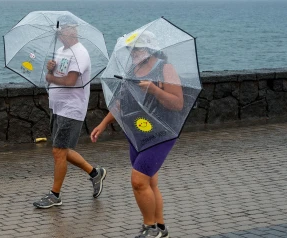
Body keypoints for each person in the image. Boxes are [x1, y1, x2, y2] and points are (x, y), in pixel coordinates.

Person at [90, 31, 183, 238]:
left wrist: (154, 90)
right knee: (150, 182)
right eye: (130, 49)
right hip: (137, 133)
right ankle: (160, 227)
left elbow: (177, 103)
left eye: (138, 49)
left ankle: (150, 228)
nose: (133, 53)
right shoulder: (132, 70)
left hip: (161, 133)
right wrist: (103, 124)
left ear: (150, 50)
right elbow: (121, 103)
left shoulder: (165, 68)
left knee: (138, 181)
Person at [33, 15, 107, 209]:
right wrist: (52, 67)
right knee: (62, 149)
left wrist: (50, 76)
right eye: (58, 33)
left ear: (73, 32)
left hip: (72, 108)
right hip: (57, 106)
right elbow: (57, 75)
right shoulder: (60, 50)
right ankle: (95, 173)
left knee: (58, 150)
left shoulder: (80, 53)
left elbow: (70, 81)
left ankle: (55, 195)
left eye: (63, 31)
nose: (60, 35)